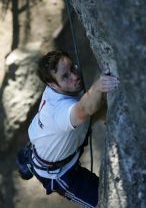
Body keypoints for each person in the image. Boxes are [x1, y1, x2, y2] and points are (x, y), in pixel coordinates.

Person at [28, 50, 119, 208]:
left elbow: (95, 108)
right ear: (52, 85)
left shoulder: (60, 89)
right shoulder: (59, 110)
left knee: (99, 108)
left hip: (42, 141)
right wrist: (98, 86)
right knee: (103, 202)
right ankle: (26, 164)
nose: (74, 76)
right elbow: (85, 109)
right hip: (60, 172)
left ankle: (25, 162)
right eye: (65, 76)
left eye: (73, 68)